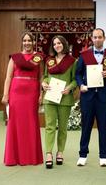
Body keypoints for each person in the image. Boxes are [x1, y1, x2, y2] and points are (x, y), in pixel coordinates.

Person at [75, 28, 106, 167]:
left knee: (103, 126)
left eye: (100, 37)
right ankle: (82, 155)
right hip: (87, 96)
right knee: (86, 126)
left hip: (103, 96)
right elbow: (77, 74)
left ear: (104, 38)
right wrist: (81, 84)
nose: (97, 39)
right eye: (95, 37)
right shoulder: (84, 55)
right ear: (91, 39)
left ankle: (103, 156)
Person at [1, 31, 43, 166]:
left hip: (32, 93)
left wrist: (41, 94)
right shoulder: (15, 58)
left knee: (30, 122)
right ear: (22, 42)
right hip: (16, 93)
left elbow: (41, 77)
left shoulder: (38, 57)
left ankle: (30, 157)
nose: (27, 43)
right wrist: (5, 94)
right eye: (24, 41)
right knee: (15, 123)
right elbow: (8, 77)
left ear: (33, 42)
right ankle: (13, 158)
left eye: (29, 40)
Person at [42, 35, 77, 169]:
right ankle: (49, 153)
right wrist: (43, 83)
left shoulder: (73, 61)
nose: (57, 45)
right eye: (55, 43)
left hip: (65, 98)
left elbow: (74, 79)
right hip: (50, 97)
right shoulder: (49, 60)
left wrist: (70, 87)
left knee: (62, 128)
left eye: (59, 43)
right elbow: (45, 76)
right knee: (50, 126)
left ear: (64, 44)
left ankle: (60, 152)